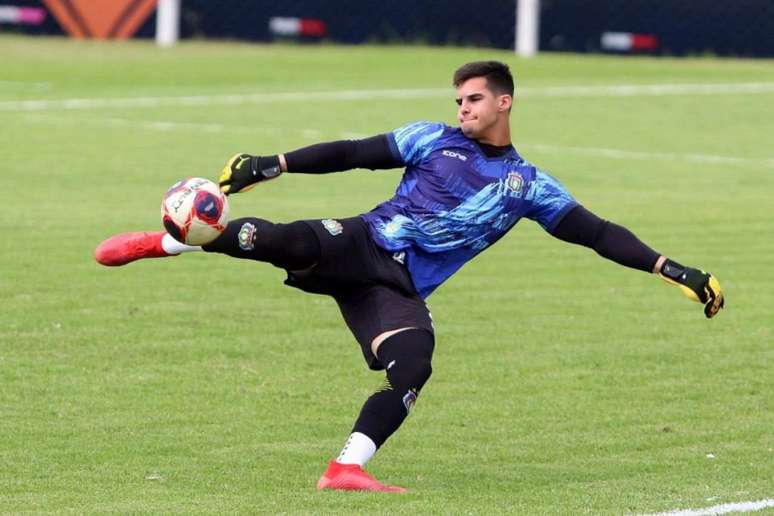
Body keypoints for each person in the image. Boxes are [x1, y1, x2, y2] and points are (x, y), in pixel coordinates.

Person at [95, 61, 724, 493]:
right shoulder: (431, 140)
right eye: (459, 99)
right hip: (361, 242)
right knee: (282, 239)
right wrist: (275, 163)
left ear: (504, 101)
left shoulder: (529, 185)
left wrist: (670, 268)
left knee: (414, 364)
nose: (463, 108)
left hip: (394, 288)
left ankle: (346, 468)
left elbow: (596, 232)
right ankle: (172, 241)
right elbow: (352, 152)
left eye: (473, 99)